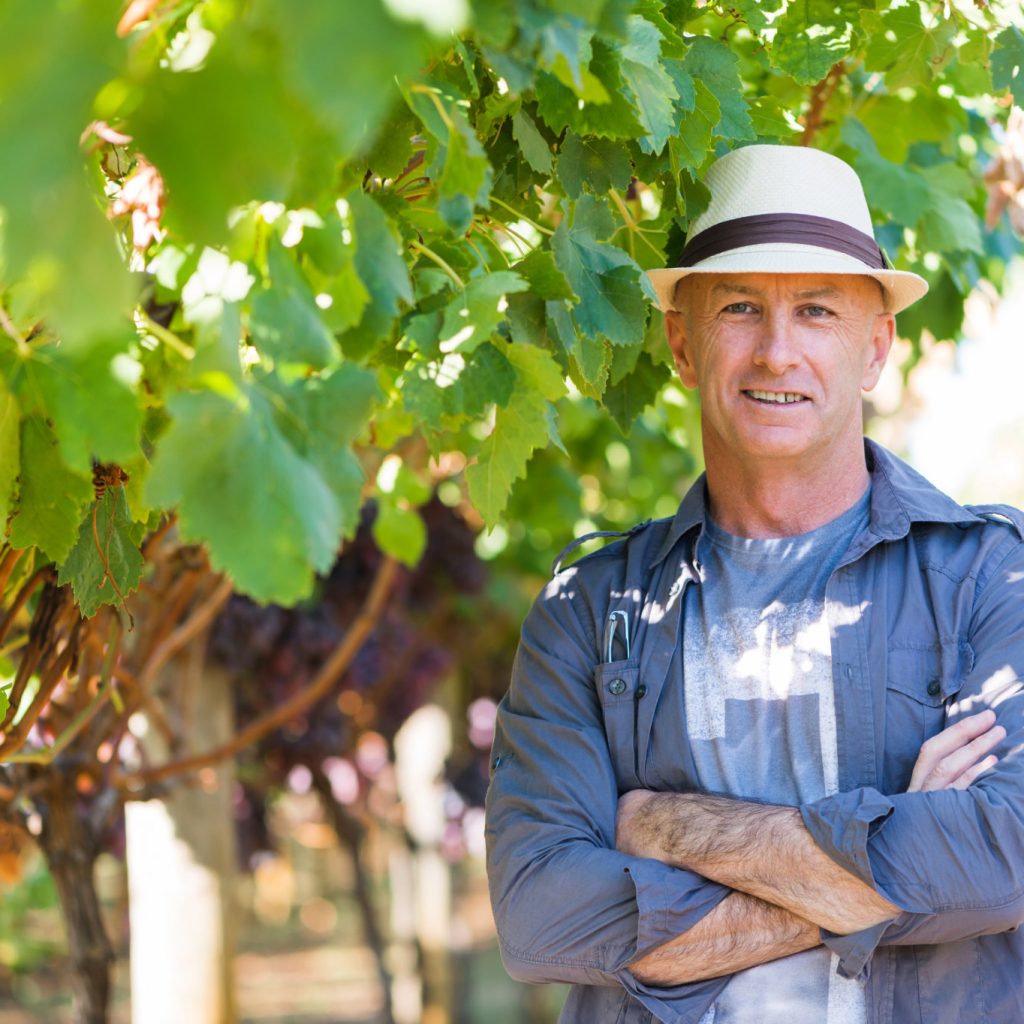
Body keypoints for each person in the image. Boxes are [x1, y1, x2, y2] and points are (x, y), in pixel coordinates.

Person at [484, 144, 1024, 1024]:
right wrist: (891, 858)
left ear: (875, 346)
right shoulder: (590, 610)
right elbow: (542, 921)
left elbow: (1005, 857)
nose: (777, 352)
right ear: (682, 341)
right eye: (740, 307)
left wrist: (661, 824)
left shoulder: (991, 576)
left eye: (816, 311)